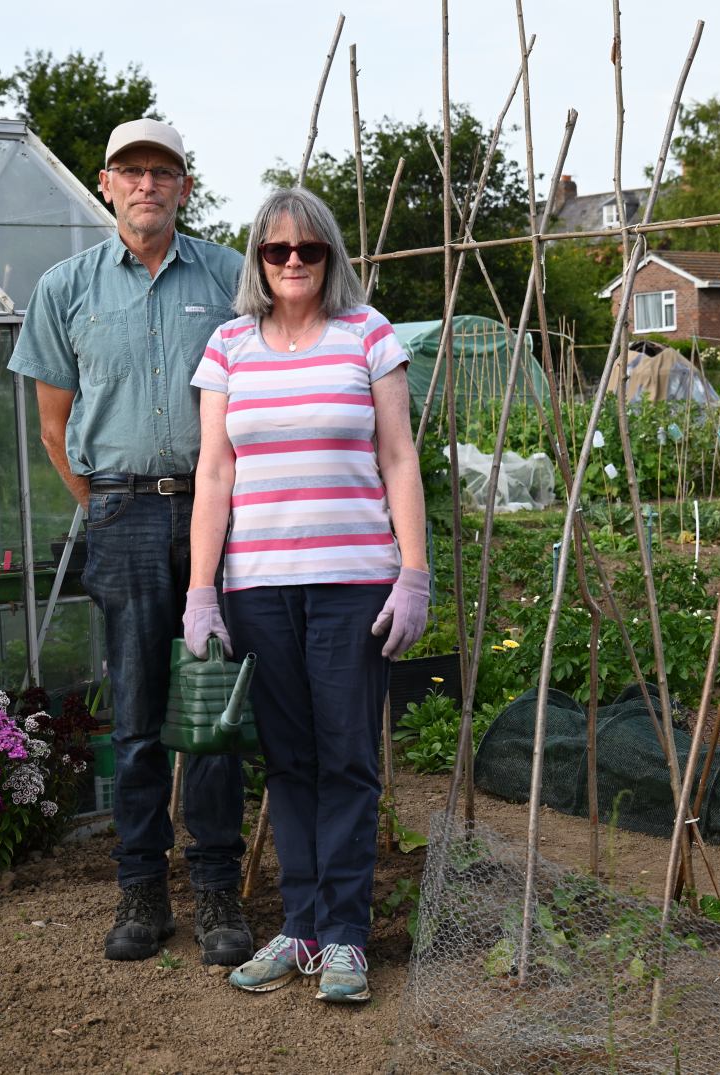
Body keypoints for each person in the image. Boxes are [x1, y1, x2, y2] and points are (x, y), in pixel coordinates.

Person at [8, 118, 254, 967]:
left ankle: (219, 887)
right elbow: (52, 426)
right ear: (105, 183)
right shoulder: (66, 287)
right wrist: (107, 505)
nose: (147, 184)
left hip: (218, 513)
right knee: (141, 714)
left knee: (214, 709)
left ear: (185, 186)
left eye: (163, 171)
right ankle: (141, 890)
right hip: (122, 515)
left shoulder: (230, 276)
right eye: (131, 170)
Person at [185, 187, 428, 1004]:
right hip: (258, 587)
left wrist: (414, 570)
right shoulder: (227, 346)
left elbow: (398, 457)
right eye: (276, 250)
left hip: (353, 582)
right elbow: (215, 471)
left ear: (330, 256)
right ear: (256, 258)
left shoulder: (368, 334)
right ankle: (300, 930)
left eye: (309, 250)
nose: (293, 262)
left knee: (349, 760)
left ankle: (347, 937)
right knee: (288, 762)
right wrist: (202, 591)